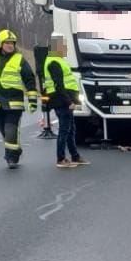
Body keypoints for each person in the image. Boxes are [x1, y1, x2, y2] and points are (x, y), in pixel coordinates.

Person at [0, 30, 38, 169]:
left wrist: (33, 100)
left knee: (10, 130)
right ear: (0, 44)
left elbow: (29, 79)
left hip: (14, 102)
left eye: (12, 43)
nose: (10, 45)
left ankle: (11, 158)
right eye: (7, 43)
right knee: (4, 131)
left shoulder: (19, 59)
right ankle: (15, 149)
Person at [42, 33, 89, 168]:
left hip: (64, 100)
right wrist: (70, 102)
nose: (66, 48)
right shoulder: (54, 62)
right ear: (57, 47)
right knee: (64, 130)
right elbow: (59, 86)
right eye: (63, 46)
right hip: (61, 101)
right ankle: (61, 158)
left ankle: (75, 156)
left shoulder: (59, 60)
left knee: (70, 129)